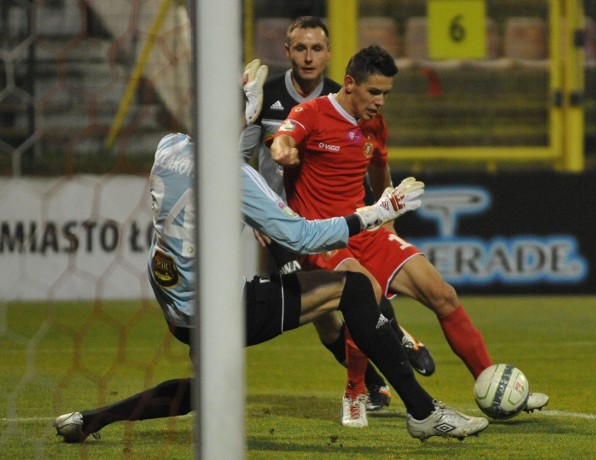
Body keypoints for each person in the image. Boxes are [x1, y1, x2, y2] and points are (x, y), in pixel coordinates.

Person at [53, 65, 488, 443]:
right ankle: (424, 412)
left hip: (176, 305)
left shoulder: (168, 147)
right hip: (219, 306)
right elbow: (299, 237)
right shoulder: (235, 176)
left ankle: (88, 421)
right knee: (353, 287)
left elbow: (220, 154)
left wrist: (242, 107)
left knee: (206, 391)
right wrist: (375, 213)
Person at [269, 44, 550, 424]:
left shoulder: (374, 125)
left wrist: (388, 214)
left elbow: (379, 167)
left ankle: (495, 386)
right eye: (374, 92)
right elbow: (285, 139)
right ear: (350, 84)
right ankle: (356, 389)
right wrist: (283, 151)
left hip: (367, 230)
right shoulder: (311, 114)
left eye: (386, 93)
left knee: (443, 295)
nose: (381, 101)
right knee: (364, 297)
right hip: (324, 237)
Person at [247, 16, 435, 413]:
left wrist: (378, 213)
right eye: (300, 48)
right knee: (322, 316)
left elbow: (364, 163)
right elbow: (241, 155)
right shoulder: (265, 96)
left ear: (330, 54)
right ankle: (374, 377)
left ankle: (390, 354)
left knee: (350, 293)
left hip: (324, 222)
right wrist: (253, 213)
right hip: (277, 221)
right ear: (287, 52)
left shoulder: (345, 98)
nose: (308, 56)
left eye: (316, 48)